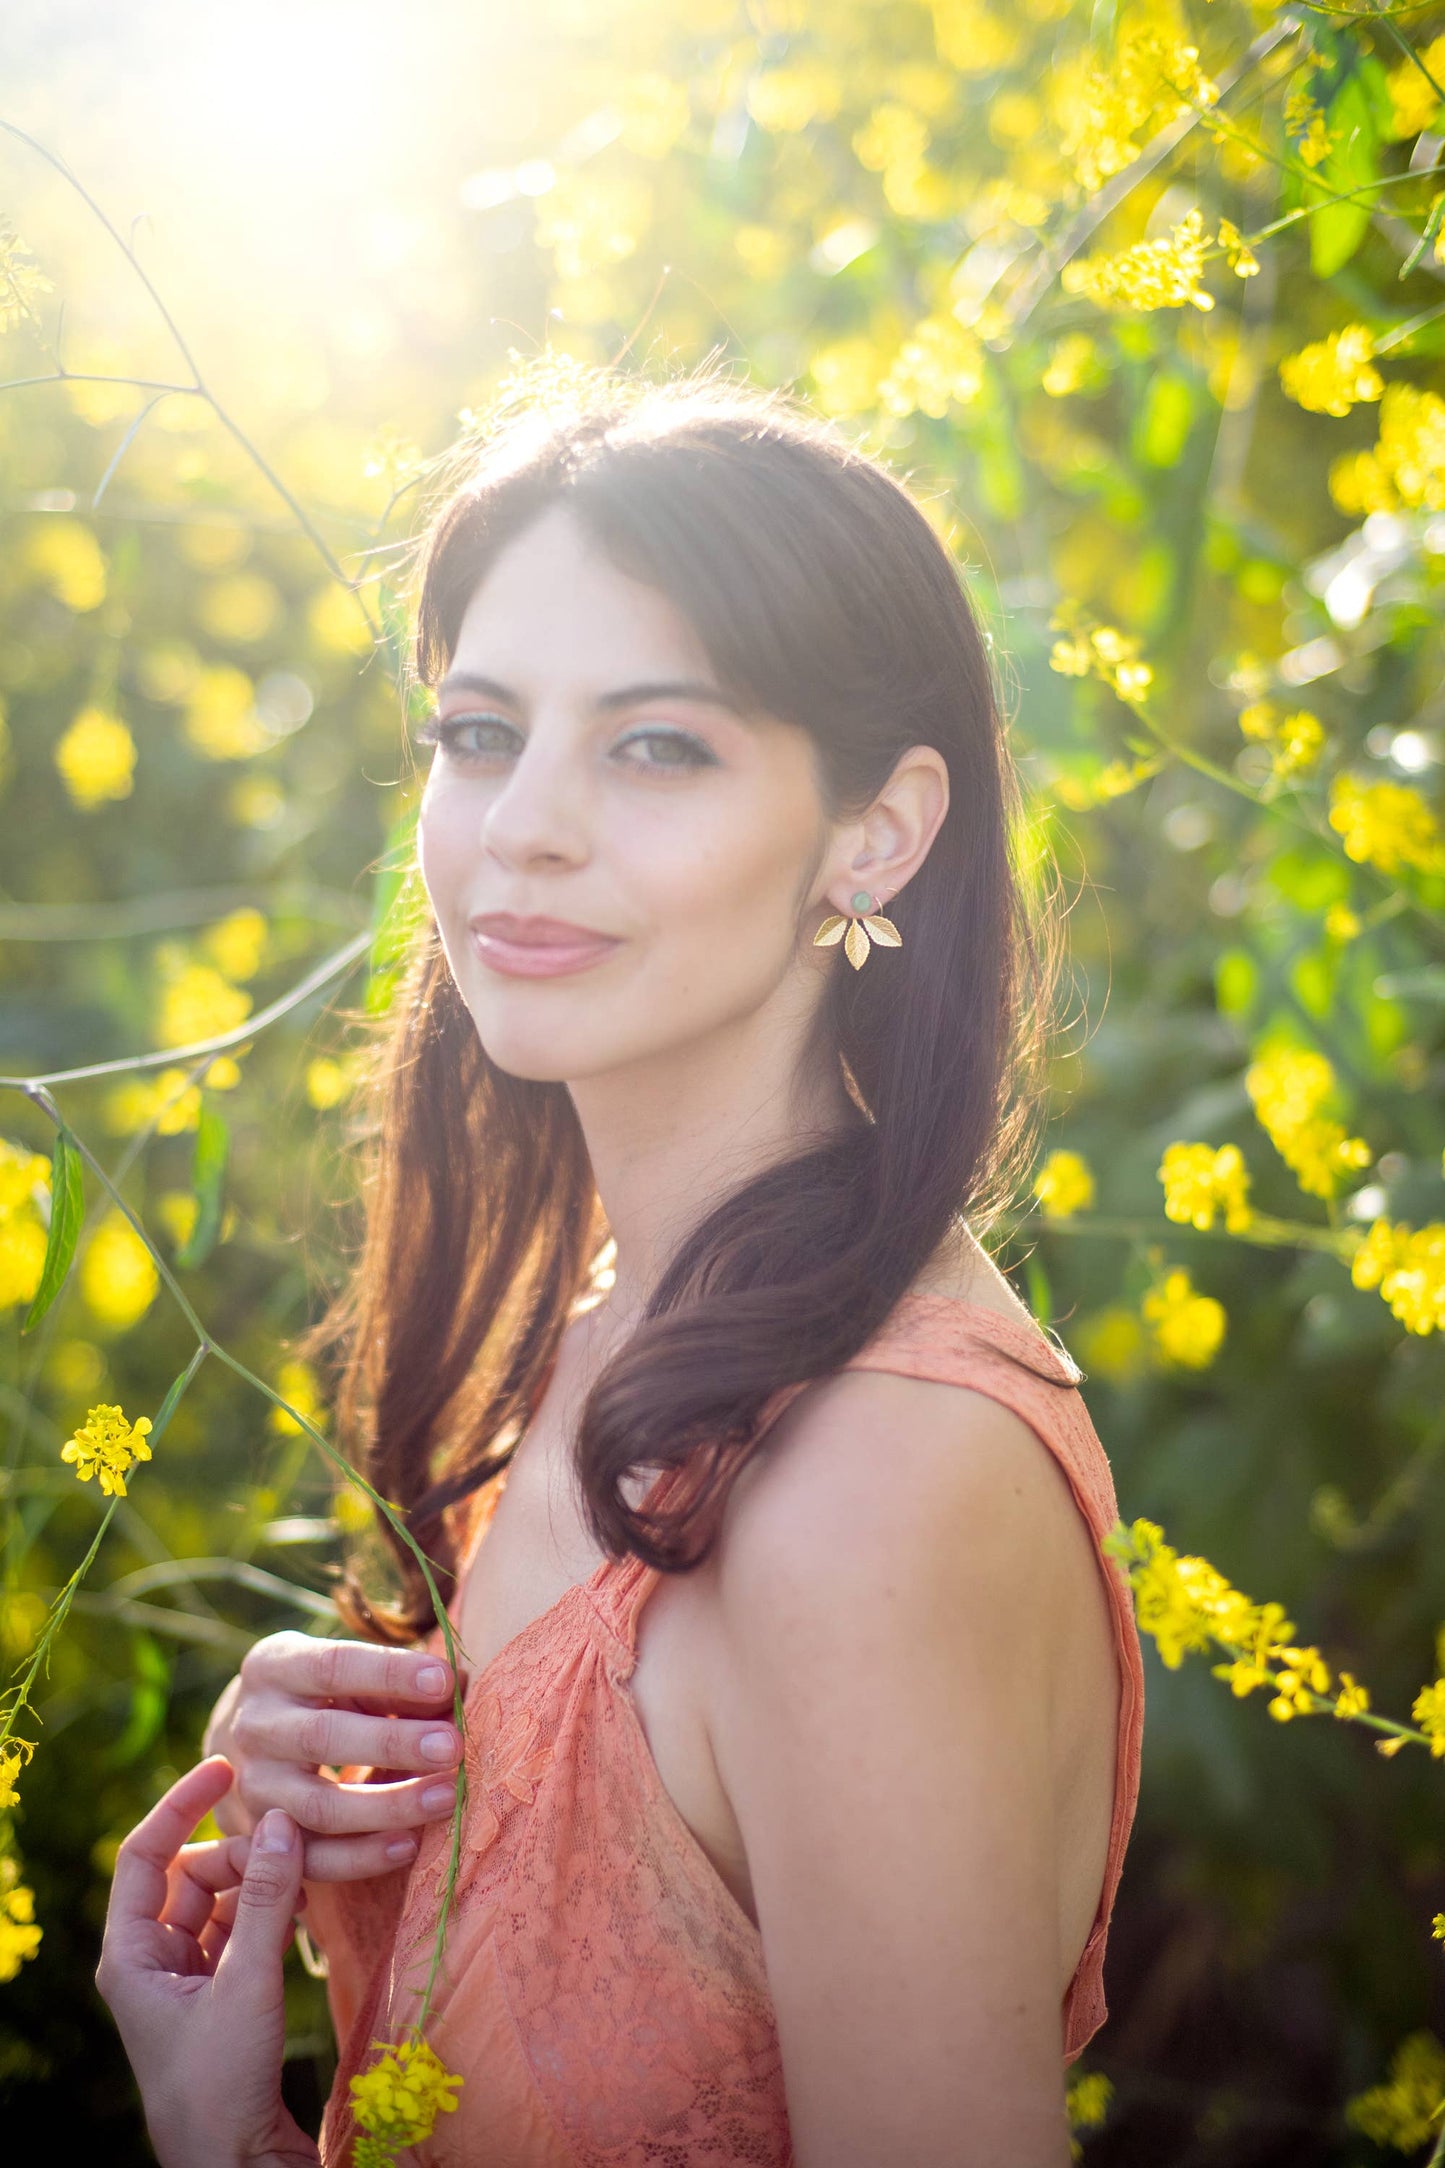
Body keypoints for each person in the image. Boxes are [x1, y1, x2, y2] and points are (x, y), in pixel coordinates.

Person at [100, 365, 1144, 2166]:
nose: (524, 826)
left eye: (656, 745)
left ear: (874, 833)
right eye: (480, 732)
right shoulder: (592, 1323)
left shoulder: (872, 1485)